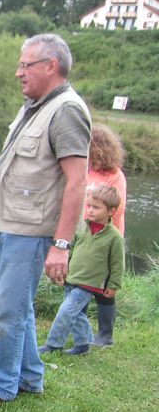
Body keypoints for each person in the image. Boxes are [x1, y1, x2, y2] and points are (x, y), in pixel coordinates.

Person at [0, 33, 91, 410]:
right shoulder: (36, 107)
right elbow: (14, 168)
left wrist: (61, 245)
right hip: (12, 225)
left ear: (51, 66)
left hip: (33, 233)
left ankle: (2, 387)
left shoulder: (66, 110)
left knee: (9, 311)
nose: (18, 72)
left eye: (25, 65)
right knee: (19, 306)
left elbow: (77, 182)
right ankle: (30, 377)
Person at [38, 184, 125, 356]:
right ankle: (84, 344)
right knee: (76, 314)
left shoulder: (115, 237)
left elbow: (117, 264)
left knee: (66, 311)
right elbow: (71, 252)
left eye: (96, 207)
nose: (90, 210)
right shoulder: (81, 228)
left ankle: (54, 345)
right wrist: (64, 270)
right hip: (72, 278)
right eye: (89, 206)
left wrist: (114, 285)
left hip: (89, 283)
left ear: (111, 211)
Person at [86, 124, 127, 347]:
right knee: (80, 280)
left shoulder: (115, 175)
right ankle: (80, 328)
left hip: (107, 238)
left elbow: (117, 207)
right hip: (85, 235)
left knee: (104, 287)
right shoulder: (84, 170)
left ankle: (105, 334)